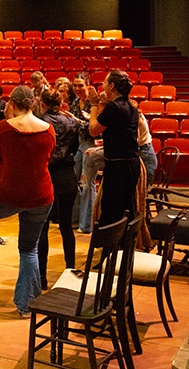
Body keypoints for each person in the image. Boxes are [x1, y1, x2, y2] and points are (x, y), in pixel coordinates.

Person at [0, 85, 55, 316]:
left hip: (9, 194)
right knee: (29, 249)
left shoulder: (3, 127)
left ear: (12, 104)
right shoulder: (49, 129)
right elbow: (47, 156)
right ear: (33, 103)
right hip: (41, 196)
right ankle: (26, 306)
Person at [36, 87, 84, 289]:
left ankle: (43, 278)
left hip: (48, 175)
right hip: (68, 175)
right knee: (66, 226)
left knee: (43, 228)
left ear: (43, 104)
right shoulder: (72, 121)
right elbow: (75, 146)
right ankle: (70, 271)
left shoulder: (40, 123)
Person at [88, 70, 141, 227]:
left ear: (111, 86)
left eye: (104, 82)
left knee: (112, 211)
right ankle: (125, 247)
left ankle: (111, 248)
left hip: (118, 167)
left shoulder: (113, 107)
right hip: (132, 163)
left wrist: (93, 105)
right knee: (128, 207)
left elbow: (93, 130)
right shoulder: (132, 106)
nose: (102, 85)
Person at [69, 72, 97, 231]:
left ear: (88, 86)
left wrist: (75, 120)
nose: (77, 88)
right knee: (72, 181)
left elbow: (95, 130)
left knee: (87, 184)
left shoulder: (94, 104)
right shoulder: (74, 103)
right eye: (75, 85)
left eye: (81, 85)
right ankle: (75, 219)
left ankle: (87, 224)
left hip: (92, 145)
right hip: (78, 145)